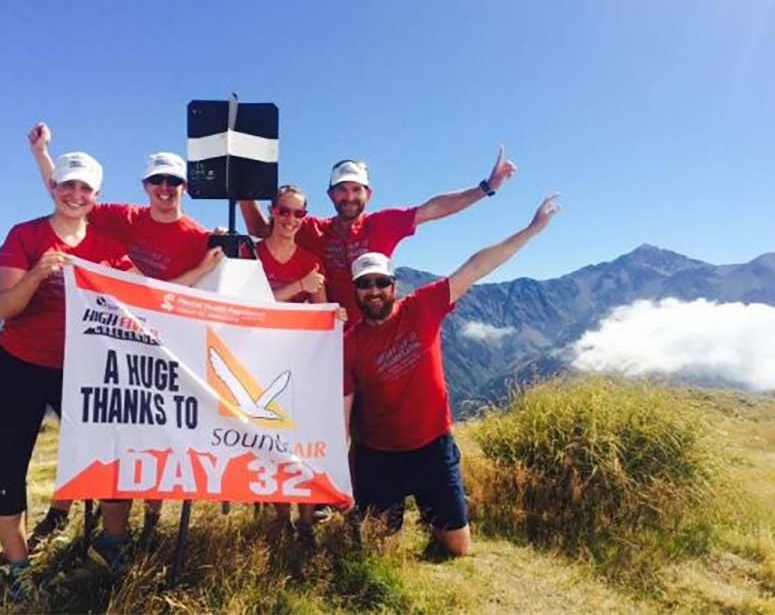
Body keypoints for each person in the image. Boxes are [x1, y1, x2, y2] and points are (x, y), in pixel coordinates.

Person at [27, 123, 223, 564]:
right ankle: (82, 521)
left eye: (174, 181)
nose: (165, 189)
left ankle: (137, 526)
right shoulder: (121, 217)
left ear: (184, 188)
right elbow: (68, 198)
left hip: (154, 349)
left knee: (147, 436)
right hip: (106, 342)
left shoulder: (196, 236)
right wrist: (43, 154)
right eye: (158, 180)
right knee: (102, 433)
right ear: (146, 186)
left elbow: (181, 299)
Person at [343, 192, 560, 556]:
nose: (375, 291)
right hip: (377, 456)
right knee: (378, 557)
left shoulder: (423, 306)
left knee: (458, 550)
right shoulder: (350, 342)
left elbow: (476, 266)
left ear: (394, 286)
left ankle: (435, 521)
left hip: (432, 447)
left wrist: (533, 229)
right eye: (365, 284)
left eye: (381, 282)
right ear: (356, 292)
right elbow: (343, 410)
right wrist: (338, 471)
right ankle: (375, 519)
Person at [0, 152, 136, 597]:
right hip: (16, 368)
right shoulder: (24, 235)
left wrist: (204, 276)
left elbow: (146, 297)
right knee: (10, 467)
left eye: (84, 188)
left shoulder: (106, 248)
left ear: (96, 196)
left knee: (111, 454)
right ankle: (19, 569)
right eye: (67, 185)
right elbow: (5, 308)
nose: (75, 194)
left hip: (81, 371)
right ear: (53, 188)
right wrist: (36, 273)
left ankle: (112, 545)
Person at [240, 148, 517, 327]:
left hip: (379, 333)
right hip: (334, 337)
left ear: (368, 195)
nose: (349, 197)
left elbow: (434, 209)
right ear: (331, 195)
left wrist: (486, 188)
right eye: (342, 190)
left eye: (356, 190)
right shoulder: (312, 228)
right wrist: (242, 191)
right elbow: (265, 231)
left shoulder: (383, 224)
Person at [254, 184, 329, 539]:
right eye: (284, 211)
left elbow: (320, 312)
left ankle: (305, 521)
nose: (290, 219)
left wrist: (335, 316)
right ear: (272, 211)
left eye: (299, 214)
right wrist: (298, 285)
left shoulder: (311, 260)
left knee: (301, 441)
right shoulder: (251, 256)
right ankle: (281, 520)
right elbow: (250, 307)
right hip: (259, 360)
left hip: (298, 361)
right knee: (272, 440)